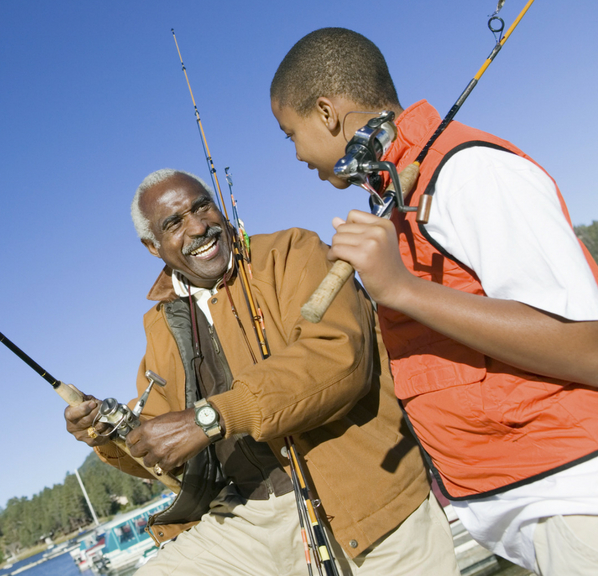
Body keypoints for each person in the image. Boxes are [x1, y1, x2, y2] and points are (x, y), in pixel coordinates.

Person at [270, 27, 598, 575]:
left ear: (327, 112)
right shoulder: (397, 197)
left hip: (572, 501)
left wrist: (401, 289)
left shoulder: (469, 170)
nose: (297, 154)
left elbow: (587, 344)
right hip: (526, 512)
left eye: (290, 134)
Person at [64, 169, 459, 576]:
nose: (199, 226)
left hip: (370, 504)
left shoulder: (293, 251)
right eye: (174, 223)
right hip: (248, 521)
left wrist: (211, 417)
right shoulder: (160, 325)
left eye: (202, 206)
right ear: (152, 246)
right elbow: (164, 448)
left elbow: (338, 356)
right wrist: (105, 434)